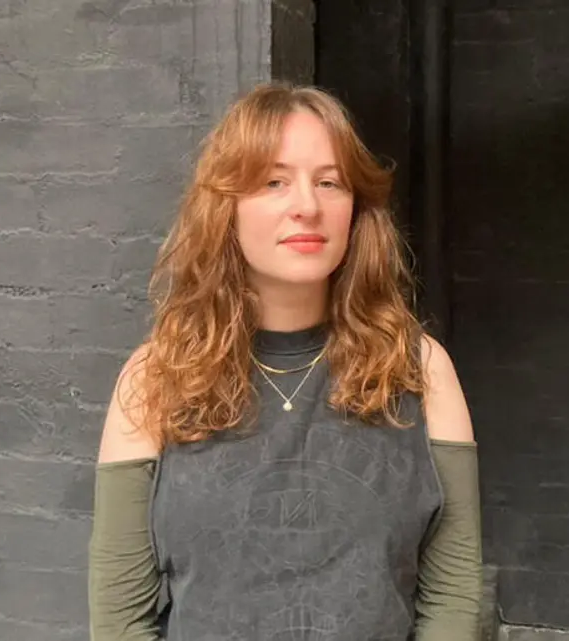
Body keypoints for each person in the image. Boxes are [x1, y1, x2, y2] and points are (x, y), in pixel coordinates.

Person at [88, 82, 482, 641]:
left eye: (329, 182)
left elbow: (453, 594)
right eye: (274, 182)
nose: (307, 205)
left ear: (355, 209)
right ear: (227, 206)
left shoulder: (418, 367)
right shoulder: (155, 378)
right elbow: (121, 619)